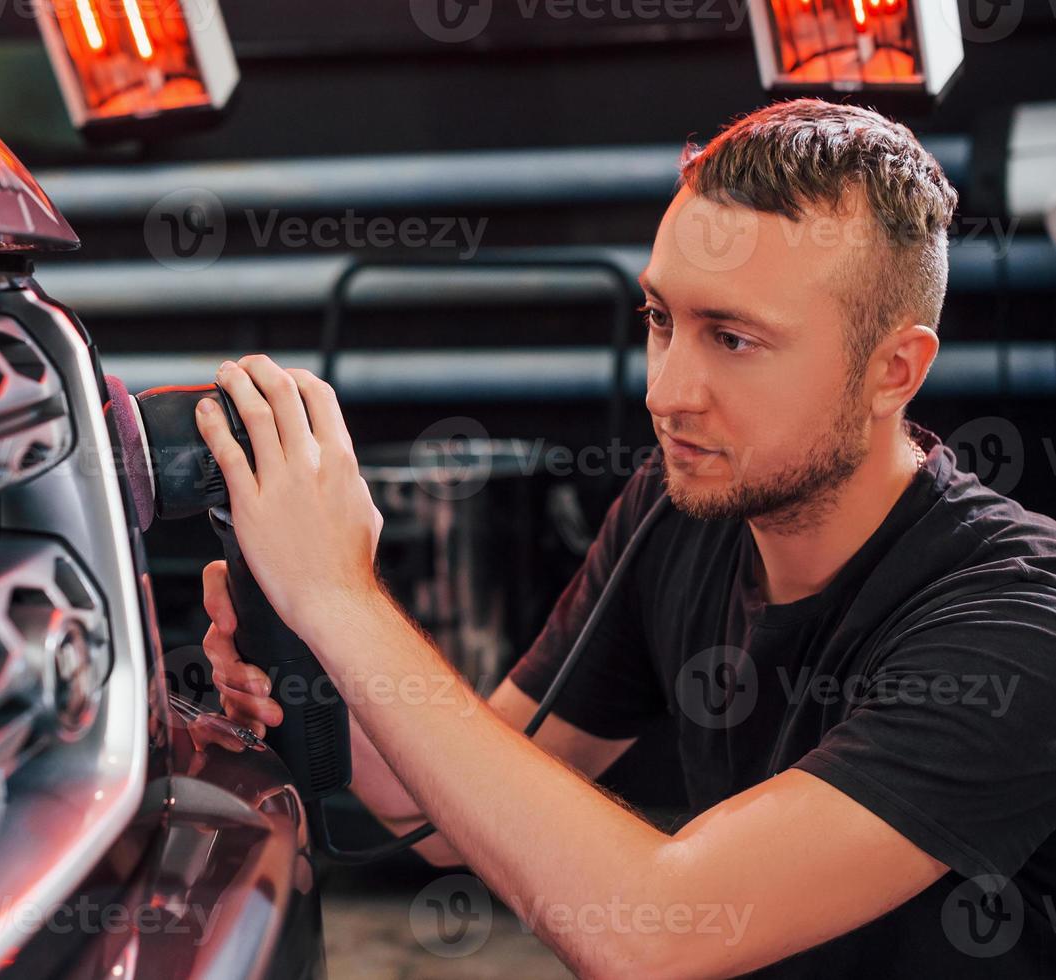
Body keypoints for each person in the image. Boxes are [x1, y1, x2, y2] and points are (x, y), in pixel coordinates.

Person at [191, 99, 1056, 976]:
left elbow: (657, 930)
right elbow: (458, 812)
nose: (668, 393)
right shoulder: (678, 509)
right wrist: (313, 645)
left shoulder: (1019, 625)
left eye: (732, 338)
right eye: (659, 320)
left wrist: (343, 598)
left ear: (892, 370)